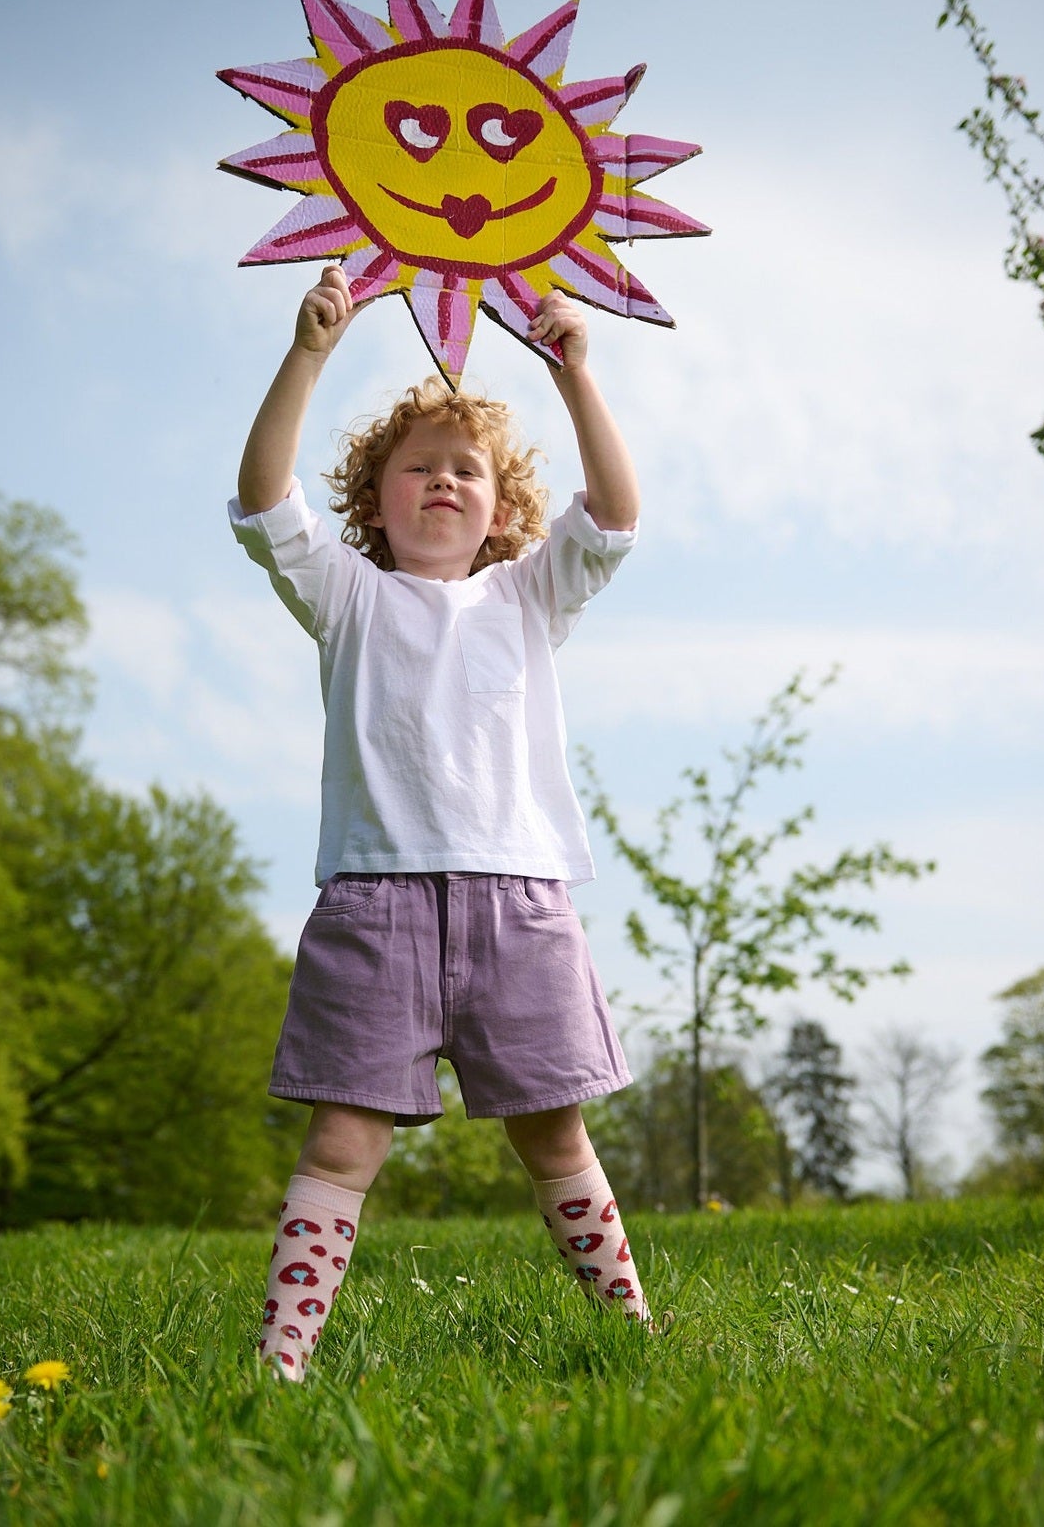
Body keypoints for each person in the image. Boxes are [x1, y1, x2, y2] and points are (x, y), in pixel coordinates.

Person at [231, 263, 653, 1381]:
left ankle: (629, 1329)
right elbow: (264, 501)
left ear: (502, 508)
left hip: (520, 900)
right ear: (373, 503)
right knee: (342, 1139)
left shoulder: (525, 595)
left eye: (464, 470)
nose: (440, 483)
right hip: (376, 904)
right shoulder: (347, 595)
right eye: (415, 469)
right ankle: (281, 1357)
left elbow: (614, 513)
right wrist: (309, 350)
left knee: (553, 1134)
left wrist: (575, 374)